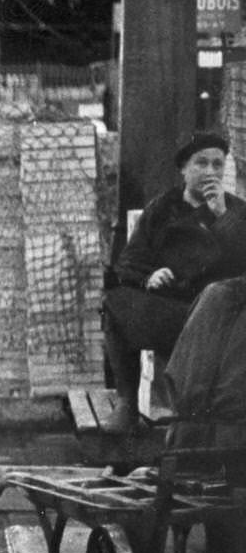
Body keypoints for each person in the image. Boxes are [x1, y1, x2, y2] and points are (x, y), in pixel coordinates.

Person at [102, 131, 246, 433]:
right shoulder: (162, 208)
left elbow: (240, 265)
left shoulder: (235, 210)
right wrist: (148, 277)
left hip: (210, 319)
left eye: (218, 165)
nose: (210, 172)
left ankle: (189, 415)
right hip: (167, 307)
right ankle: (127, 401)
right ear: (184, 169)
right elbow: (129, 261)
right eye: (201, 163)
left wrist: (221, 216)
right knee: (114, 303)